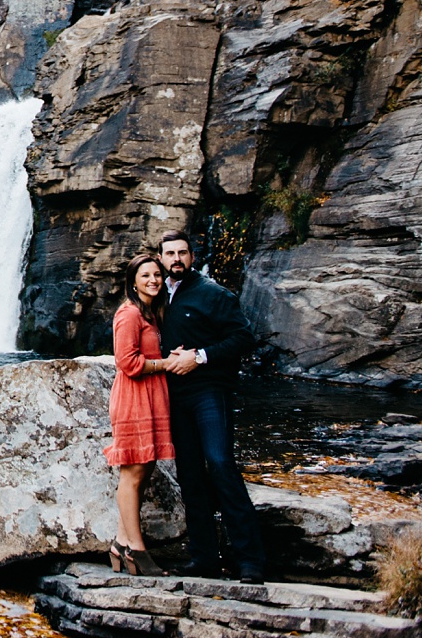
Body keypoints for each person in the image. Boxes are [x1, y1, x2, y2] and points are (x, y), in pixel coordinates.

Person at [158, 231, 266, 583]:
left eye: (182, 253)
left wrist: (199, 357)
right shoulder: (158, 295)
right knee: (189, 474)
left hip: (208, 391)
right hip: (174, 395)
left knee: (220, 464)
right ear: (160, 258)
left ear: (192, 257)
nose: (176, 258)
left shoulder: (213, 294)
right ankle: (204, 558)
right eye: (169, 253)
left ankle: (250, 560)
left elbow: (244, 338)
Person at [104, 253, 174, 577]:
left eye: (157, 275)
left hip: (151, 397)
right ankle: (137, 550)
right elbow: (128, 363)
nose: (153, 280)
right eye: (145, 275)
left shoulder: (152, 312)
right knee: (132, 474)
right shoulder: (128, 314)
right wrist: (167, 364)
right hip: (133, 398)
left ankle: (119, 543)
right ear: (133, 281)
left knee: (144, 470)